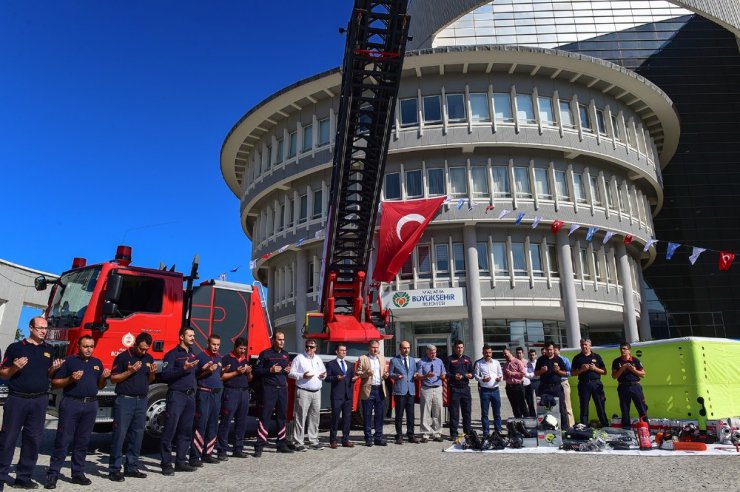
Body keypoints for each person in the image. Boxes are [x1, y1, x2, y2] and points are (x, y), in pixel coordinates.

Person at [0, 316, 63, 490]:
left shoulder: (49, 349)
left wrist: (53, 369)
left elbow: (47, 374)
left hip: (39, 400)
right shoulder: (15, 348)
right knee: (7, 439)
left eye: (45, 328)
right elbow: (3, 374)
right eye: (40, 328)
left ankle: (23, 477)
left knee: (33, 440)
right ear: (30, 328)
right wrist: (15, 368)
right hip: (17, 399)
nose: (44, 331)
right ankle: (1, 476)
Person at [45, 335, 111, 489]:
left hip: (91, 405)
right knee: (63, 440)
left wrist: (103, 377)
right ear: (79, 347)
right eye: (85, 346)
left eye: (91, 346)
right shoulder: (69, 362)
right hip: (71, 404)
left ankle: (77, 473)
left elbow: (100, 386)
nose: (88, 349)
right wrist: (70, 380)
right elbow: (54, 383)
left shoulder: (97, 363)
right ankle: (53, 473)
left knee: (83, 441)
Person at [108, 332, 157, 482]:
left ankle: (132, 467)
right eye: (141, 349)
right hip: (125, 401)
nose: (144, 352)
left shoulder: (148, 358)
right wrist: (130, 371)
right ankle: (115, 469)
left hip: (141, 401)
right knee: (120, 435)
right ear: (135, 344)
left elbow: (149, 380)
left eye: (146, 349)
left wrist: (153, 374)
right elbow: (114, 378)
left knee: (137, 435)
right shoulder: (123, 357)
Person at [160, 327, 199, 475]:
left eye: (194, 335)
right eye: (190, 335)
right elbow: (165, 375)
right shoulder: (172, 355)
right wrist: (183, 368)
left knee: (185, 431)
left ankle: (181, 461)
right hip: (177, 396)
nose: (193, 338)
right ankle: (166, 464)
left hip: (190, 397)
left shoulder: (193, 354)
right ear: (181, 337)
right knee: (170, 429)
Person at [254, 331, 294, 457]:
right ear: (273, 340)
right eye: (279, 339)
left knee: (282, 417)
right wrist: (269, 370)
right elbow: (257, 370)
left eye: (283, 339)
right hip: (269, 389)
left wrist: (288, 370)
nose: (282, 342)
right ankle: (259, 445)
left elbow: (287, 369)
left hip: (282, 389)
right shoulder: (265, 354)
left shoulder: (286, 355)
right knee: (265, 416)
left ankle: (281, 444)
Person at [216, 337, 253, 460]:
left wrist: (248, 372)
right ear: (235, 347)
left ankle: (238, 448)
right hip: (231, 392)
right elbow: (221, 377)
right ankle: (222, 450)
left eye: (244, 349)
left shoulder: (245, 360)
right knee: (226, 421)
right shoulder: (226, 359)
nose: (242, 351)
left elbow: (250, 379)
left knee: (242, 422)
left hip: (244, 392)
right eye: (240, 348)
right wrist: (236, 373)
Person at [189, 334, 223, 466]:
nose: (215, 347)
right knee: (200, 424)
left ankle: (208, 453)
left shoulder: (219, 357)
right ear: (208, 343)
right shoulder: (200, 357)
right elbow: (196, 376)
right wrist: (207, 370)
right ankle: (194, 456)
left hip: (216, 394)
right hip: (204, 393)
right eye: (213, 344)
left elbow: (219, 376)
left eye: (218, 345)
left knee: (213, 424)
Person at [288, 339, 327, 451]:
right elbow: (291, 373)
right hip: (303, 390)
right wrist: (302, 376)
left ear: (315, 348)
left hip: (316, 391)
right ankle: (298, 442)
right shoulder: (299, 358)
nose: (309, 349)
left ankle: (313, 440)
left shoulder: (318, 359)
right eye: (307, 346)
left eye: (311, 347)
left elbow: (324, 372)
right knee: (300, 416)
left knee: (315, 416)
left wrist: (323, 375)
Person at [356, 340, 388, 446]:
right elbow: (358, 373)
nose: (375, 349)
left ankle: (378, 437)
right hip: (368, 390)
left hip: (380, 389)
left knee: (380, 415)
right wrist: (366, 373)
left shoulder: (382, 358)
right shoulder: (363, 358)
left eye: (377, 347)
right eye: (373, 347)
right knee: (367, 415)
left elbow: (384, 372)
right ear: (369, 348)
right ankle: (368, 438)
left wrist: (385, 375)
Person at [325, 344, 357, 448]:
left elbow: (352, 378)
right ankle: (333, 440)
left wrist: (355, 379)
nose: (343, 352)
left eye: (345, 350)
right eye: (341, 350)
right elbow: (327, 378)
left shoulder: (350, 364)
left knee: (347, 418)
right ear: (336, 352)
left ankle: (345, 439)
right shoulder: (331, 364)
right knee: (335, 418)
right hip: (337, 395)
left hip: (348, 395)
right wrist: (336, 378)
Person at [571, 338, 609, 427]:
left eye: (586, 345)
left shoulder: (597, 356)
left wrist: (595, 369)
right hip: (584, 384)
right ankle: (584, 425)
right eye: (582, 345)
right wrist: (581, 370)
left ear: (590, 345)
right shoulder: (577, 358)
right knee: (584, 405)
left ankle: (605, 424)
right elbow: (572, 373)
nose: (584, 346)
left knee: (600, 404)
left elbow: (605, 372)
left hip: (596, 383)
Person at [389, 341, 420, 444]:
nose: (406, 350)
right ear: (400, 349)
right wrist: (397, 376)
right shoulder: (394, 360)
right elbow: (390, 374)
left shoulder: (412, 360)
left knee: (410, 414)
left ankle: (411, 434)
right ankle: (399, 435)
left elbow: (415, 371)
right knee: (399, 415)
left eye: (408, 348)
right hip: (400, 391)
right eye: (404, 348)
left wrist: (416, 374)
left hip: (410, 391)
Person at [611, 342, 648, 429]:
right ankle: (626, 428)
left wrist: (633, 370)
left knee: (641, 408)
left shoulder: (635, 360)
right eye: (621, 349)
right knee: (624, 409)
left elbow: (643, 374)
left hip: (635, 386)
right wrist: (622, 368)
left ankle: (645, 427)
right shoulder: (616, 361)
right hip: (623, 386)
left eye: (624, 349)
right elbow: (614, 376)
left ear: (629, 350)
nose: (622, 350)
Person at [535, 342, 569, 429]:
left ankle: (565, 428)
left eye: (551, 349)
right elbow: (535, 373)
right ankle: (543, 427)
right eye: (547, 350)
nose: (549, 351)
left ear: (554, 350)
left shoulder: (559, 359)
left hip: (556, 387)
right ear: (545, 350)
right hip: (544, 387)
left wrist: (558, 371)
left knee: (561, 408)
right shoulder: (541, 360)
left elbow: (565, 373)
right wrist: (541, 371)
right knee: (543, 408)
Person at [416, 345, 446, 443]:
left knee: (438, 411)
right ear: (427, 352)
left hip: (437, 388)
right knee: (425, 411)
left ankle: (437, 433)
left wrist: (443, 376)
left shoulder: (439, 361)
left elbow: (444, 373)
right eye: (431, 352)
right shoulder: (421, 362)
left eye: (434, 352)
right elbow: (418, 376)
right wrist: (426, 375)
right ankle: (425, 433)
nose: (433, 354)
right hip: (426, 388)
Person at [444, 340, 473, 441]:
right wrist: (453, 376)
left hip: (465, 389)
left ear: (463, 348)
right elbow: (446, 374)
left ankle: (467, 432)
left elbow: (472, 372)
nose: (459, 349)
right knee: (454, 412)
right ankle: (453, 433)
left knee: (467, 412)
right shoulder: (449, 359)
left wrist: (471, 375)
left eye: (461, 347)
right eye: (457, 347)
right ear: (454, 348)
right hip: (454, 389)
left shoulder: (467, 359)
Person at [474, 345, 503, 436]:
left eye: (489, 352)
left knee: (497, 413)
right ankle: (486, 432)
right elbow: (476, 376)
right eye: (486, 352)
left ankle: (498, 431)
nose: (488, 354)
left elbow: (500, 374)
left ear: (492, 353)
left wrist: (499, 379)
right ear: (483, 353)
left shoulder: (496, 362)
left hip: (495, 390)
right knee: (485, 413)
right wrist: (482, 379)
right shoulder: (479, 363)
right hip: (484, 391)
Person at [502, 348, 528, 418]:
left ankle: (527, 421)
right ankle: (518, 422)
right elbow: (505, 377)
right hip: (509, 387)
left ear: (510, 353)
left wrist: (512, 373)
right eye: (503, 354)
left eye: (505, 353)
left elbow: (523, 373)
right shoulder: (505, 365)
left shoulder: (517, 362)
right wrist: (505, 376)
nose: (504, 355)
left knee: (522, 405)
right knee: (514, 406)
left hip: (518, 386)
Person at [554, 344, 575, 427]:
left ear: (559, 350)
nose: (553, 352)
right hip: (554, 385)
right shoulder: (549, 361)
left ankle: (570, 425)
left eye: (555, 350)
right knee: (556, 406)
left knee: (567, 405)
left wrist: (560, 372)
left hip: (563, 382)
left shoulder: (564, 360)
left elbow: (570, 373)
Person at [515, 347, 532, 416]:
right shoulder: (514, 362)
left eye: (520, 353)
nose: (519, 354)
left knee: (530, 402)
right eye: (517, 353)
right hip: (519, 385)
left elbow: (531, 372)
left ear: (523, 354)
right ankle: (522, 416)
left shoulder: (527, 362)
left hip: (527, 384)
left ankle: (532, 415)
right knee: (520, 402)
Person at [525, 349, 539, 417]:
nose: (532, 356)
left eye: (533, 355)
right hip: (529, 382)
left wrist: (532, 374)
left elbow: (539, 373)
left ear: (536, 355)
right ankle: (532, 415)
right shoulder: (527, 364)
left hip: (538, 381)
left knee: (539, 398)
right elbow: (526, 374)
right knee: (530, 399)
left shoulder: (538, 363)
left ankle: (540, 414)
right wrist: (533, 374)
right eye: (530, 355)